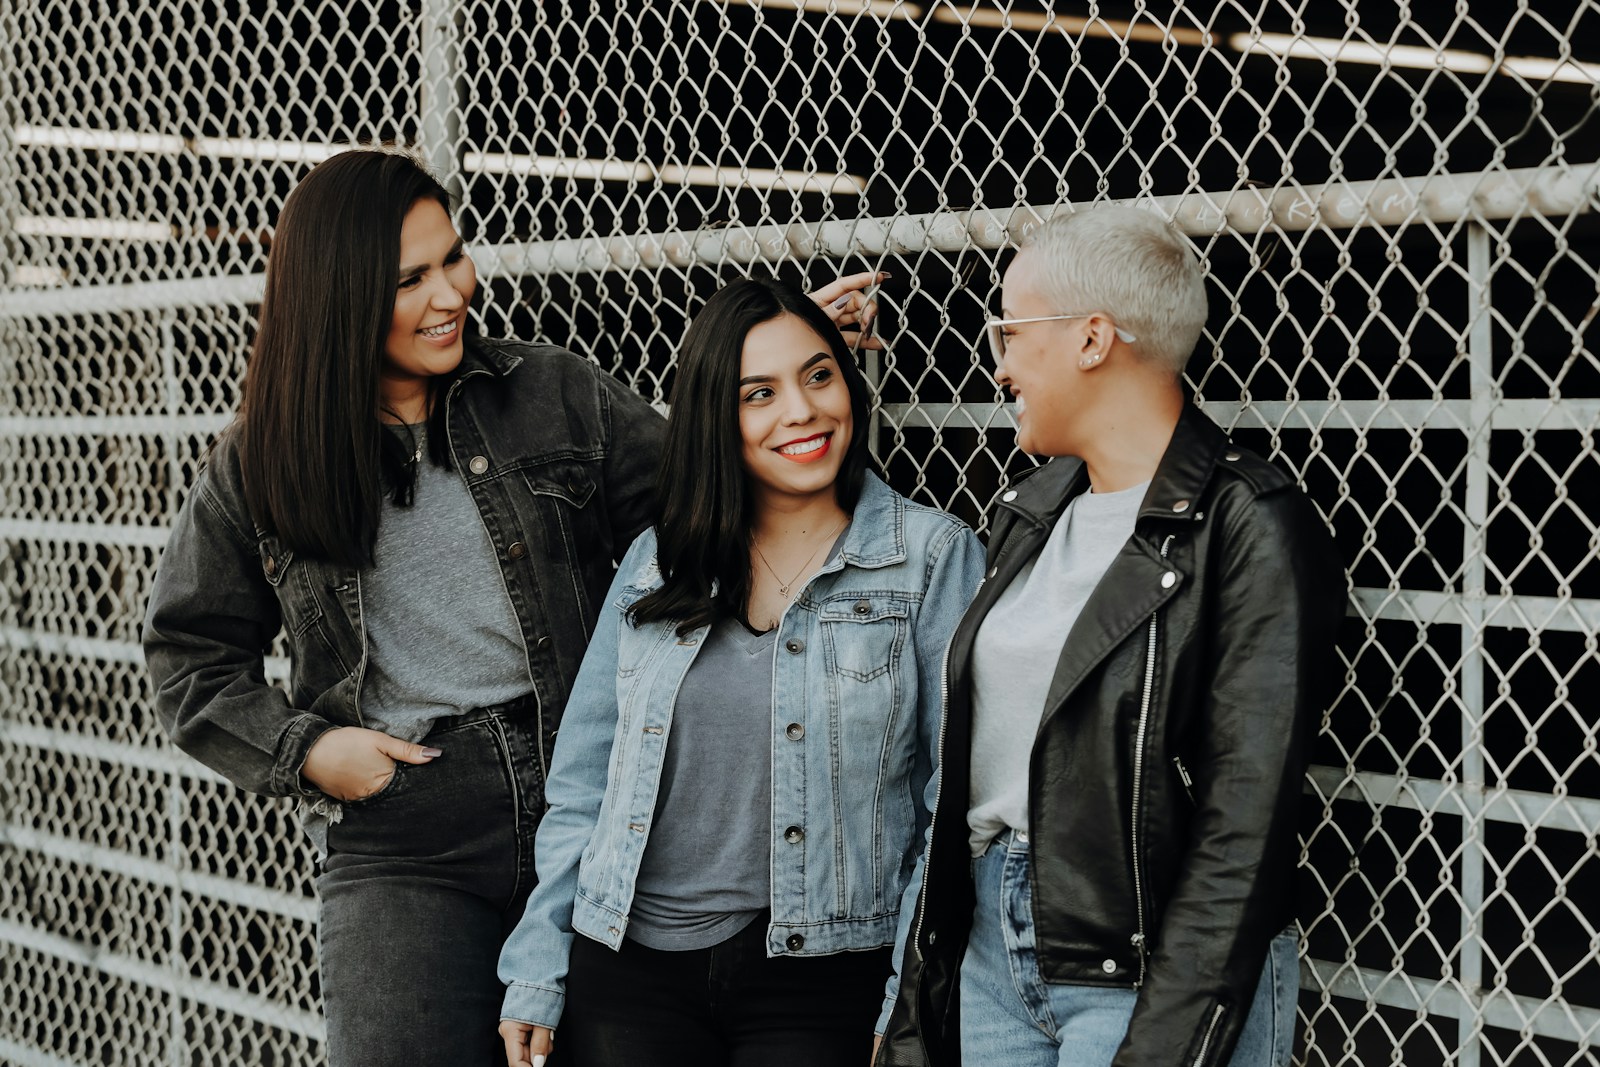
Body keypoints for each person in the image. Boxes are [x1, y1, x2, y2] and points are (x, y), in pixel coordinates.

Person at [141, 148, 880, 1067]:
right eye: (411, 278)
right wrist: (313, 752)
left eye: (453, 256)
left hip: (596, 808)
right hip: (409, 831)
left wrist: (784, 362)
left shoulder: (550, 394)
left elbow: (701, 510)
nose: (453, 290)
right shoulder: (260, 458)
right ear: (340, 295)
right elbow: (188, 656)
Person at [876, 205, 1347, 1067]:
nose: (1002, 363)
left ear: (1093, 339)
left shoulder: (1250, 523)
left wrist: (1169, 1040)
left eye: (1011, 331)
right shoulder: (1032, 510)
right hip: (991, 942)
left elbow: (1243, 827)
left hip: (1145, 964)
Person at [495, 277, 985, 1067]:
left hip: (824, 973)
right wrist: (537, 964)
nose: (802, 411)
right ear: (716, 418)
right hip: (628, 967)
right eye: (760, 392)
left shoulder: (930, 558)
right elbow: (587, 775)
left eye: (819, 375)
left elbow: (951, 799)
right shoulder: (661, 559)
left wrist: (907, 996)